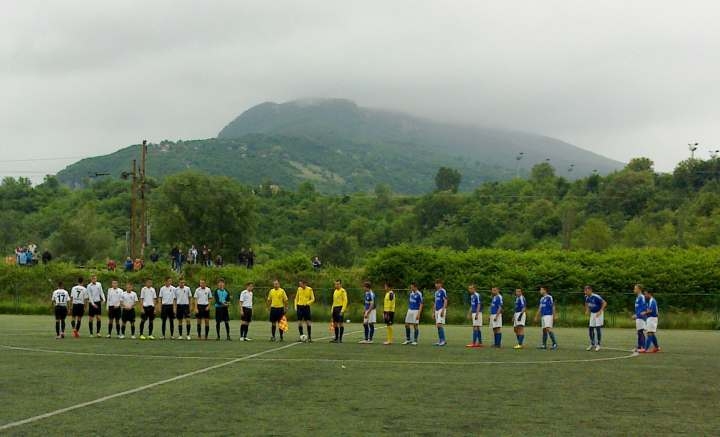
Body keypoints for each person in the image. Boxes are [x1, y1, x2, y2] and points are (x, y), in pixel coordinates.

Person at [584, 285, 607, 351]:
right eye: (584, 291)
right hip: (592, 314)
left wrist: (600, 311)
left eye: (586, 291)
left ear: (590, 290)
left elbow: (604, 303)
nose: (585, 292)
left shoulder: (596, 296)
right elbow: (586, 303)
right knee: (590, 328)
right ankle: (592, 344)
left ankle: (598, 345)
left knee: (597, 328)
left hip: (598, 313)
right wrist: (587, 310)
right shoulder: (587, 297)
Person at [632, 284, 648, 352]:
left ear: (639, 289)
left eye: (635, 288)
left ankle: (643, 347)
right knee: (639, 332)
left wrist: (637, 315)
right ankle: (639, 347)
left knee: (641, 332)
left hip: (641, 317)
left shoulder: (642, 297)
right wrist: (636, 315)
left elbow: (644, 307)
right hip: (638, 317)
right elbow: (638, 308)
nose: (634, 290)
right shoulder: (638, 297)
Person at [466, 284, 483, 348]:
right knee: (477, 327)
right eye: (469, 288)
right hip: (473, 313)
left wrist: (477, 314)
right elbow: (472, 305)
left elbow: (479, 304)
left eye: (471, 288)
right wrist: (469, 313)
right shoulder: (472, 296)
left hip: (477, 313)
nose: (469, 290)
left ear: (474, 289)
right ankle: (480, 343)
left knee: (475, 327)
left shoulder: (477, 295)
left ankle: (474, 343)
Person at [433, 280, 448, 346]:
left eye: (437, 283)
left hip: (441, 309)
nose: (436, 285)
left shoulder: (443, 291)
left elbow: (445, 300)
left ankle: (443, 340)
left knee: (439, 325)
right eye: (436, 283)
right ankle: (440, 340)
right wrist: (433, 312)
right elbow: (435, 302)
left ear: (441, 284)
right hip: (436, 310)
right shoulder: (436, 292)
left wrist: (443, 310)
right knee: (438, 326)